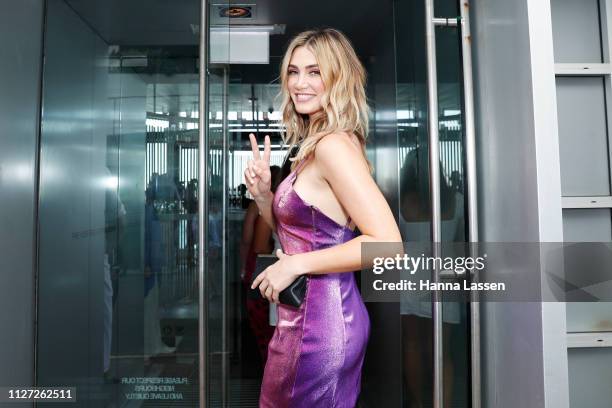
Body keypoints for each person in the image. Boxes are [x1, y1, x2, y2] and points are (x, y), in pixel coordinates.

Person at [245, 28, 402, 407]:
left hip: (321, 326)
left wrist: (297, 264)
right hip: (305, 319)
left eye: (314, 72)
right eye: (293, 72)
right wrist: (265, 197)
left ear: (338, 78)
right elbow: (309, 234)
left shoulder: (333, 146)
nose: (299, 83)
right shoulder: (317, 143)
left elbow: (388, 246)